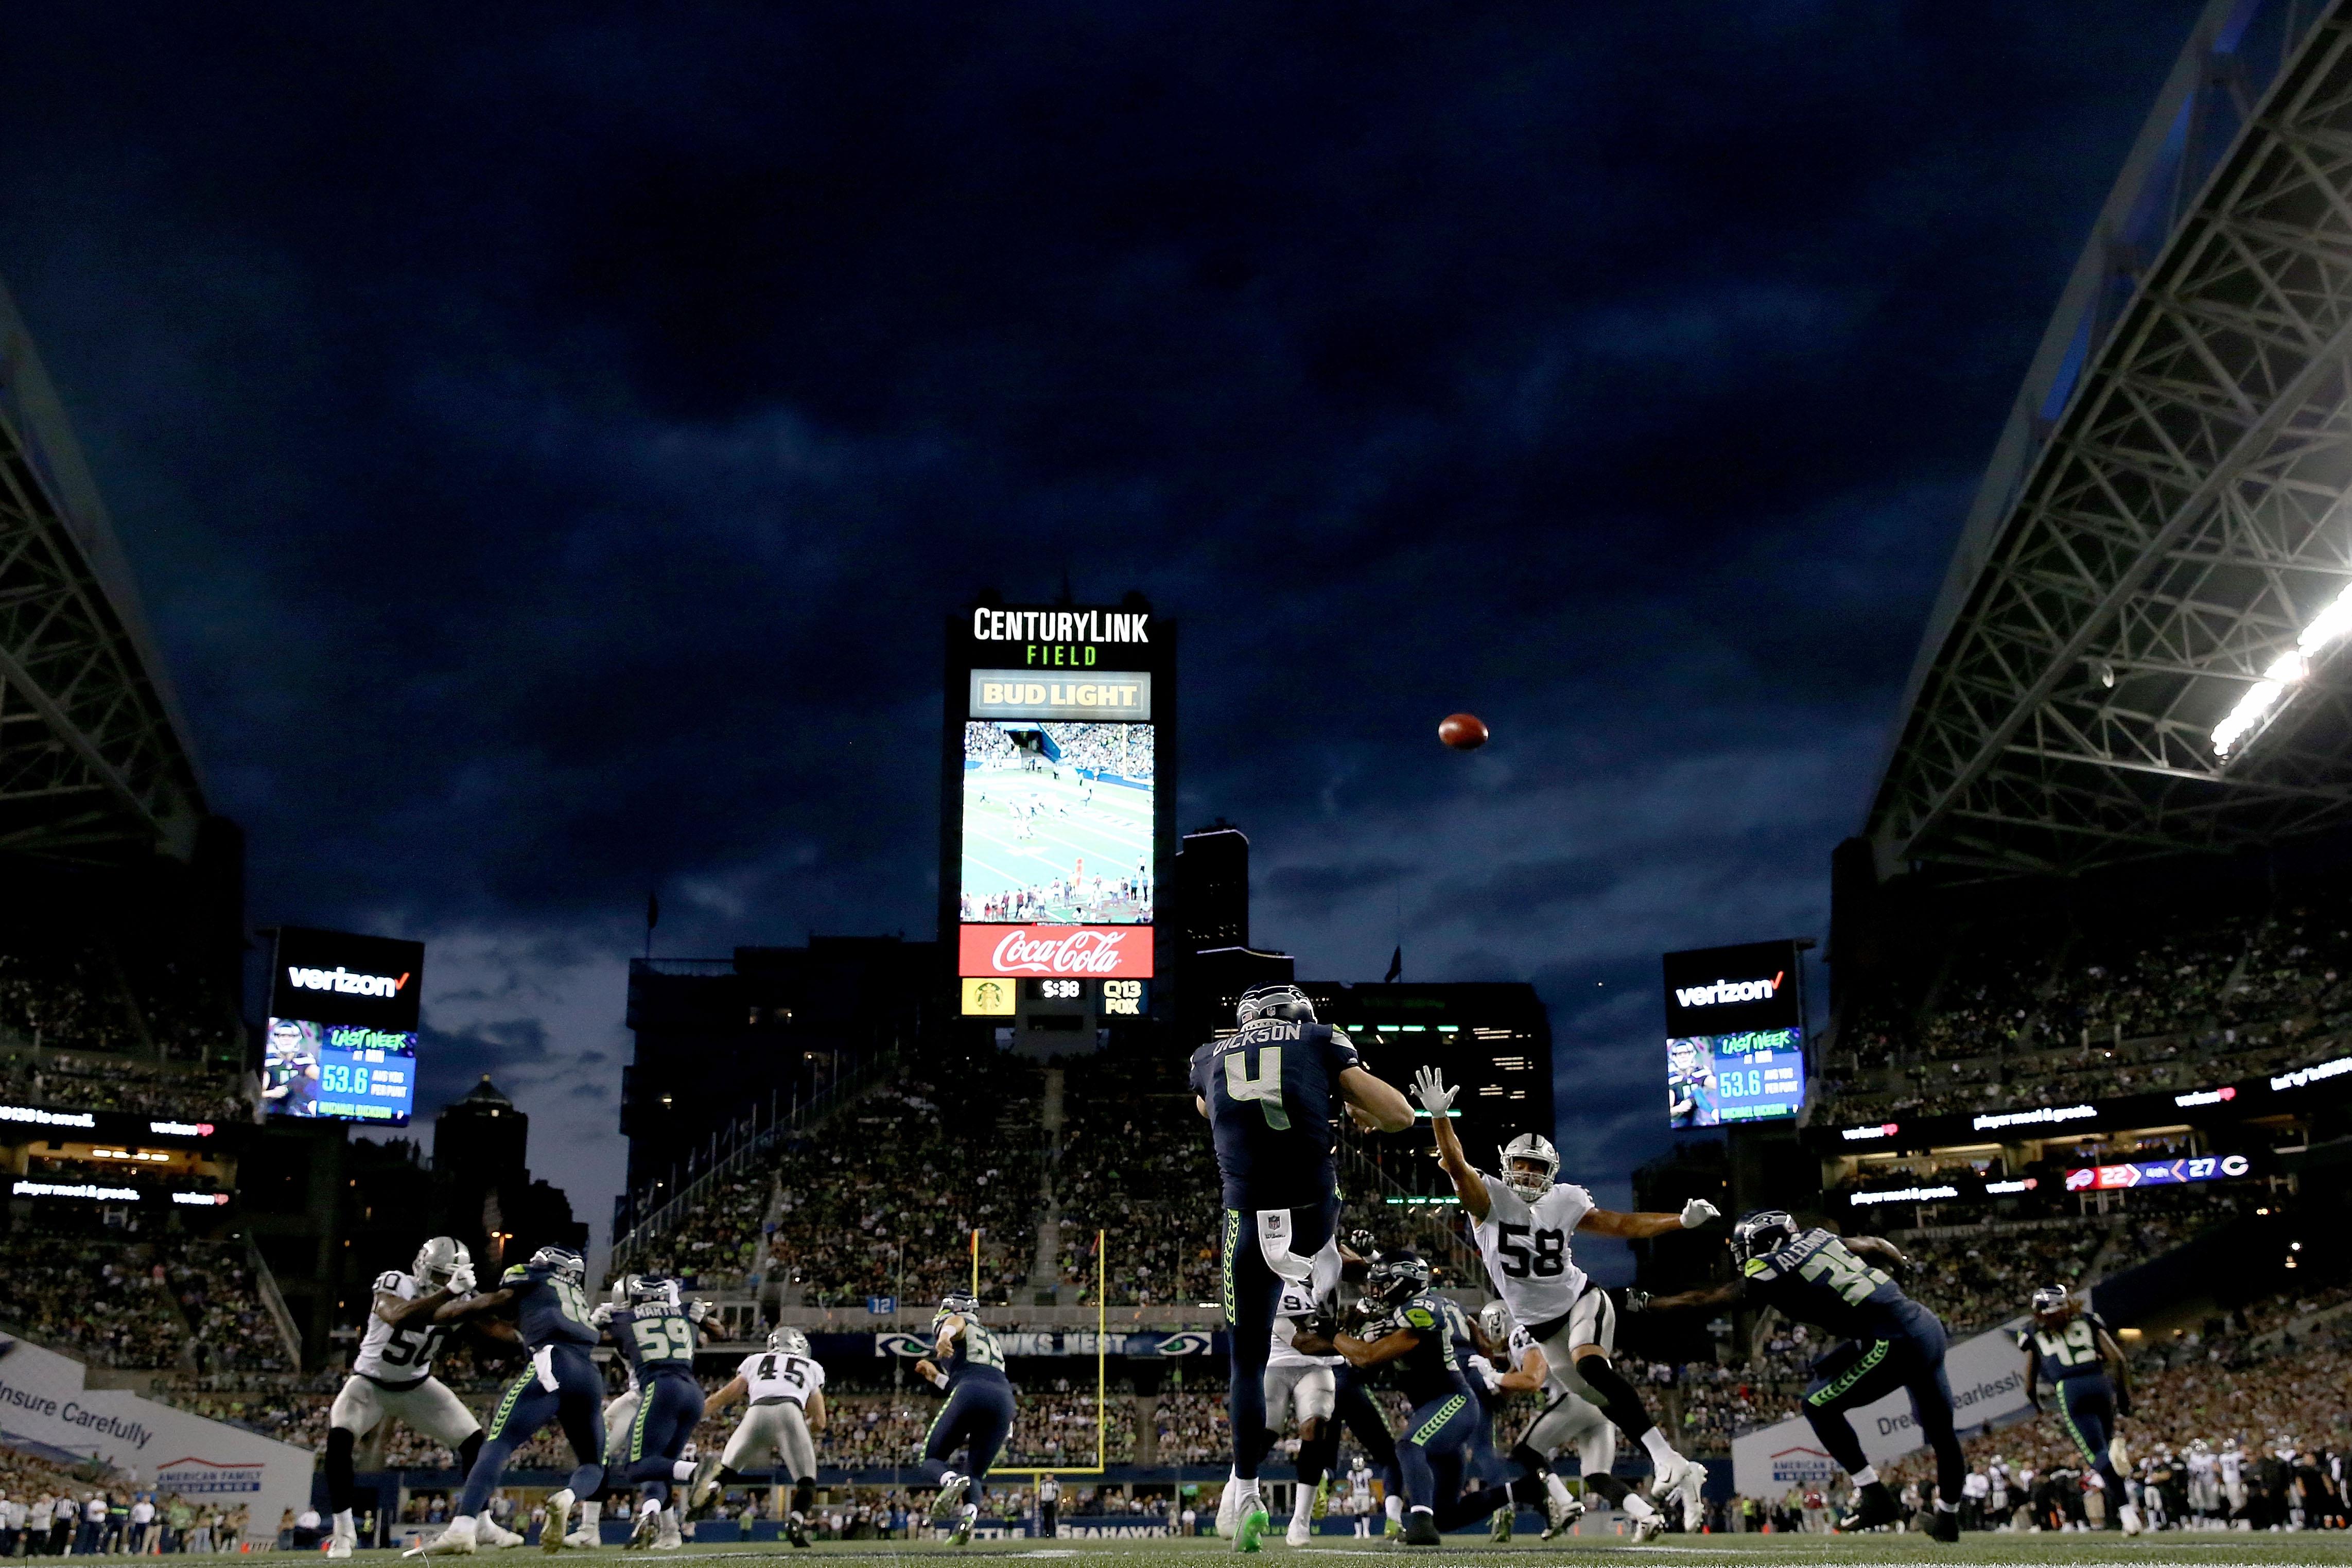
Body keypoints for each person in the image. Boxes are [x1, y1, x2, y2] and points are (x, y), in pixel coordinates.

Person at [1414, 1068, 1712, 1515]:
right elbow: (1455, 1164)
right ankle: (1680, 1465)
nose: (1529, 1173)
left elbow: (1618, 1224)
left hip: (1580, 1300)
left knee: (1589, 1362)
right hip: (1540, 1327)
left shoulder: (1566, 1200)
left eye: (1537, 1166)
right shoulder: (1487, 1199)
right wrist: (1440, 1117)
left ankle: (1665, 1460)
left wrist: (1679, 1221)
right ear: (1506, 1166)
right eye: (1522, 1164)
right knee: (1597, 1398)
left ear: (1551, 1171)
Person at [1190, 983, 1414, 1552]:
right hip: (1312, 1213)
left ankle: (1244, 1491)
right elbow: (1400, 1115)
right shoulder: (1318, 1037)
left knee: (1246, 1362)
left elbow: (1210, 1108)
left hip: (1245, 1220)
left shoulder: (1206, 1055)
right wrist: (1350, 1104)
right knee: (1323, 1234)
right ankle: (1327, 1259)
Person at [1633, 1210, 1965, 1542]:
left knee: (1817, 1405)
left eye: (1746, 1246)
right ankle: (1947, 1518)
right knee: (1940, 1433)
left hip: (1894, 1341)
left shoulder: (1770, 1267)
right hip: (1922, 1325)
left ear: (1767, 1242)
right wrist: (1901, 1271)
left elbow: (1704, 1302)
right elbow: (1877, 1246)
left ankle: (1873, 1495)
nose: (1743, 1255)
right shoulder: (1819, 1237)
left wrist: (1648, 1305)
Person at [1327, 1249, 1556, 1546]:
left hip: (1454, 1401)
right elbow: (1363, 1363)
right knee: (1446, 1516)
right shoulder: (1396, 1317)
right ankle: (1525, 1490)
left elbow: (1368, 1356)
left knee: (1409, 1446)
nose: (1376, 1292)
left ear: (1403, 1284)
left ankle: (1420, 1521)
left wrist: (1330, 1334)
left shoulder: (1420, 1311)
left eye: (1383, 1285)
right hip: (1438, 1410)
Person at [409, 1246, 606, 1556]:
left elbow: (498, 1301)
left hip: (552, 1363)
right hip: (590, 1375)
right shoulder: (575, 1294)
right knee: (594, 1464)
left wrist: (456, 1306)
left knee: (496, 1445)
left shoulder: (531, 1275)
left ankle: (462, 1528)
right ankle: (568, 1497)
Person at [329, 1238, 498, 1557]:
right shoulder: (396, 1282)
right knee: (339, 1440)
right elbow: (397, 1316)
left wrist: (502, 1300)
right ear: (422, 1267)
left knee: (474, 1439)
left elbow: (498, 1334)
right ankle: (343, 1533)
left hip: (418, 1385)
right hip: (369, 1385)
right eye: (437, 1276)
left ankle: (483, 1521)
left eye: (446, 1278)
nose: (440, 1283)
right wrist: (449, 1292)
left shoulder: (461, 1296)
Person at [596, 1275, 711, 1549]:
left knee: (636, 1466)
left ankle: (699, 1473)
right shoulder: (682, 1315)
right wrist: (699, 1320)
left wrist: (596, 1319)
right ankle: (660, 1524)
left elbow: (591, 1336)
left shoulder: (625, 1318)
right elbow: (706, 1336)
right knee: (660, 1466)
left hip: (656, 1391)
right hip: (692, 1391)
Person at [2018, 1285, 2140, 1535]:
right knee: (2103, 1449)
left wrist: (2037, 1405)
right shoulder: (2087, 1320)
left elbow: (2029, 1383)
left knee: (2096, 1456)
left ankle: (2127, 1512)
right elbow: (2118, 1359)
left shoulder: (2033, 1332)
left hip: (2070, 1389)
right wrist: (2125, 1397)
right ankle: (2126, 1511)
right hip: (2099, 1383)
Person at [693, 1327, 829, 1547]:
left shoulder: (755, 1361)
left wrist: (692, 1418)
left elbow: (721, 1398)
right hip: (790, 1411)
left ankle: (713, 1489)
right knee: (806, 1481)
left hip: (756, 1411)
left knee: (728, 1467)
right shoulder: (811, 1367)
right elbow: (821, 1422)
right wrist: (800, 1431)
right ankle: (796, 1522)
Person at [912, 1293, 1016, 1546]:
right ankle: (968, 1519)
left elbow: (957, 1322)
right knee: (975, 1474)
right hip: (1004, 1401)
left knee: (931, 1459)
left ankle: (950, 1480)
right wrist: (936, 1376)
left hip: (971, 1392)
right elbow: (977, 1381)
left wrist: (945, 1335)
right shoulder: (990, 1338)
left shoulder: (957, 1321)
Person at [1262, 1275, 1343, 1546]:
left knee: (1315, 1425)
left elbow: (1360, 1264)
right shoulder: (1280, 1279)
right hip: (1276, 1362)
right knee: (1266, 1432)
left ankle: (1300, 1522)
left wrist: (1369, 1256)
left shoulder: (1327, 1267)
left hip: (1317, 1366)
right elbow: (1303, 1342)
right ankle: (1236, 1490)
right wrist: (1356, 1343)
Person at [1035, 1475, 1059, 1540]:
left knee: (1053, 1519)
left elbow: (1058, 1493)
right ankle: (1047, 1535)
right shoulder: (1042, 1483)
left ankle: (1054, 1535)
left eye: (1051, 1476)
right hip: (1044, 1502)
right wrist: (1037, 1503)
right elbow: (1039, 1493)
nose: (1049, 1478)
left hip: (1052, 1502)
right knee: (1046, 1520)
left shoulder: (1055, 1483)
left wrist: (1059, 1502)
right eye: (1048, 1476)